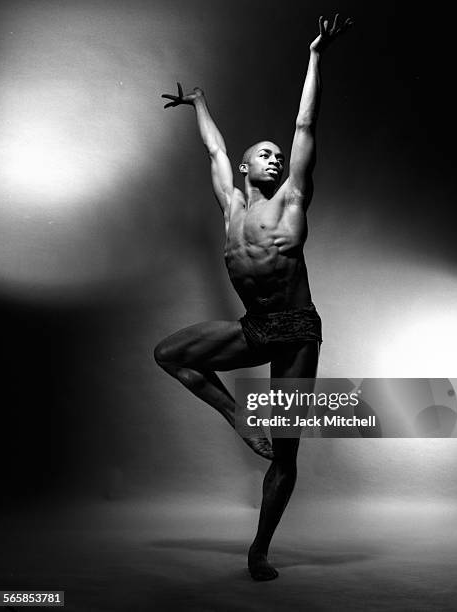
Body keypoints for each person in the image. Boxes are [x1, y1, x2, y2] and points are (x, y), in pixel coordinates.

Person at [155, 14, 353, 580]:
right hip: (254, 326)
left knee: (286, 452)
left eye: (275, 154)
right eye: (261, 154)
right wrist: (198, 102)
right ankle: (240, 419)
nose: (272, 158)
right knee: (169, 354)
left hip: (297, 330)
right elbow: (215, 152)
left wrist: (315, 56)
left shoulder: (291, 199)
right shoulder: (232, 210)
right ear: (244, 168)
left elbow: (305, 125)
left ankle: (259, 549)